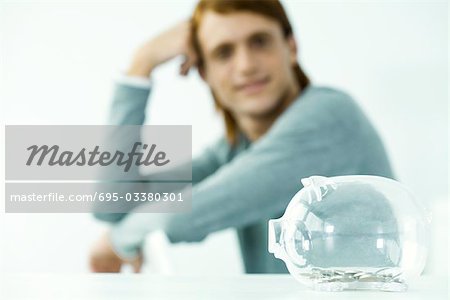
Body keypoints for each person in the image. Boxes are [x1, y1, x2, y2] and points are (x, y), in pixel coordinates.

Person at [89, 0, 394, 274]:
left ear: (291, 47)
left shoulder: (330, 116)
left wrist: (117, 242)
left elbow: (184, 216)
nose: (246, 65)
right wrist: (141, 65)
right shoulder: (235, 150)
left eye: (259, 42)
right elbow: (112, 203)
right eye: (224, 52)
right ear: (204, 72)